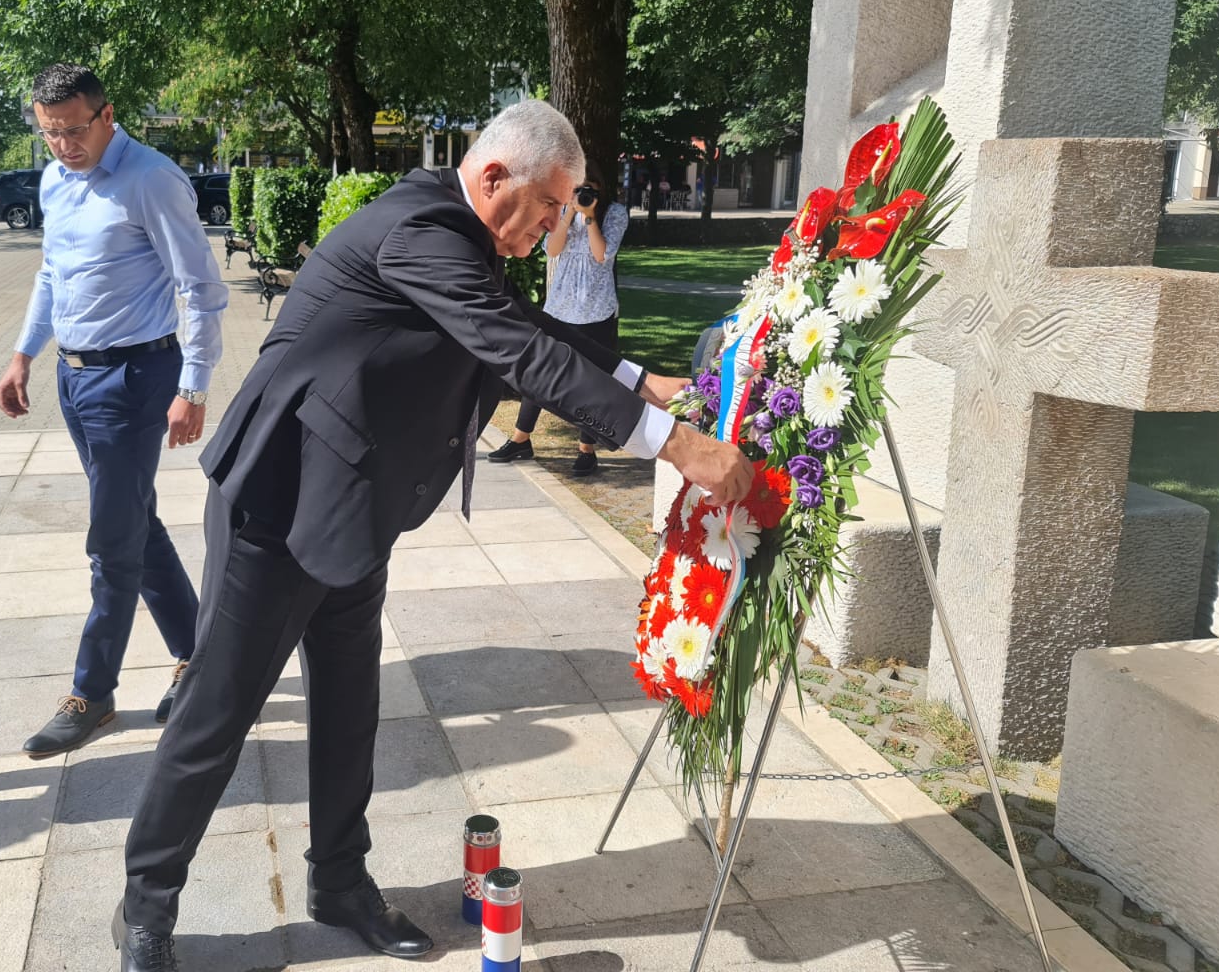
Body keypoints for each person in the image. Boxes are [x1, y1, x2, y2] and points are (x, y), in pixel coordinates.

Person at [110, 100, 753, 972]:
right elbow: (516, 348)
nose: (556, 228)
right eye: (550, 206)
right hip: (277, 503)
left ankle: (340, 882)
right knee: (218, 713)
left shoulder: (460, 234)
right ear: (493, 177)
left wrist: (647, 382)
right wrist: (675, 446)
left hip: (352, 500)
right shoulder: (421, 230)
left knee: (350, 709)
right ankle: (145, 905)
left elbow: (527, 327)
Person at [0, 64, 228, 758]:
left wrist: (193, 387)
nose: (63, 145)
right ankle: (200, 655)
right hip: (74, 378)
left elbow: (202, 289)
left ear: (107, 115)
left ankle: (92, 692)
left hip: (134, 378)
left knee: (111, 543)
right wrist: (23, 354)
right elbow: (51, 273)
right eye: (49, 133)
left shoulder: (151, 179)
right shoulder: (55, 179)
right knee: (134, 523)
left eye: (74, 130)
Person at [487, 175, 628, 474]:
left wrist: (590, 218)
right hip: (560, 306)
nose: (582, 194)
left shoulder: (615, 213)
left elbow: (602, 255)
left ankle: (586, 450)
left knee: (593, 379)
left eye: (589, 189)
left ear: (601, 190)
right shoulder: (563, 209)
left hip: (596, 309)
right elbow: (551, 250)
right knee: (540, 369)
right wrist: (570, 213)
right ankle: (521, 439)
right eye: (577, 189)